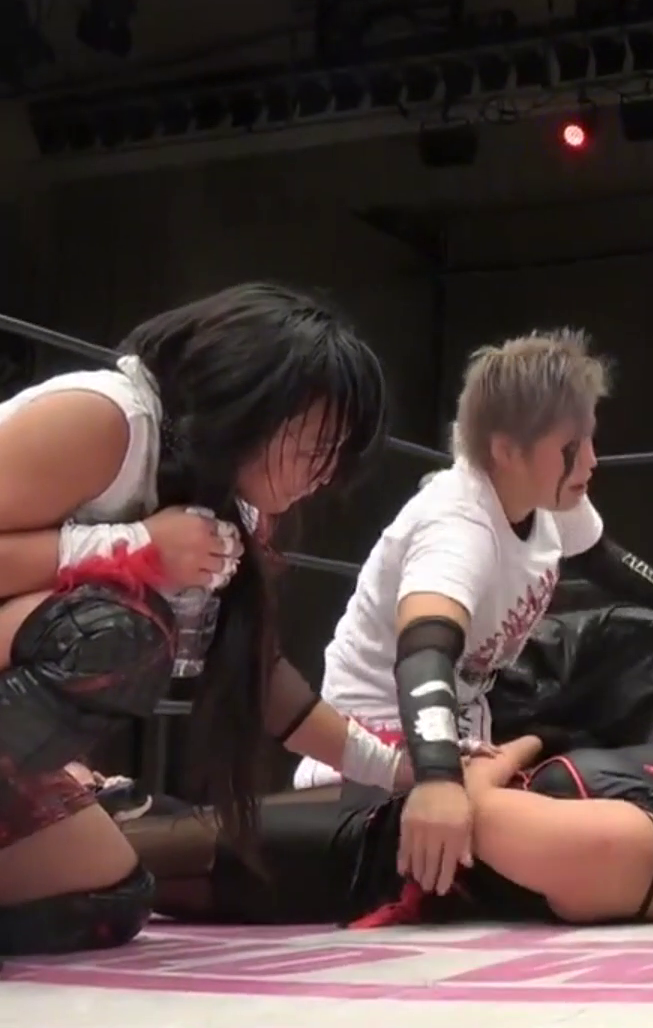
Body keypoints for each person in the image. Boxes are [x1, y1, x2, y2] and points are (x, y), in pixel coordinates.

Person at [0, 283, 389, 956]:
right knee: (112, 634)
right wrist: (130, 547)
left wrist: (403, 768)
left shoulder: (226, 505)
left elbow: (259, 678)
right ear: (256, 401)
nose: (325, 474)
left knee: (105, 900)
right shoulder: (107, 419)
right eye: (317, 446)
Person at [290, 329, 653, 898]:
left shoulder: (550, 495)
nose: (591, 460)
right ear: (506, 450)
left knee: (649, 640)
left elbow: (601, 557)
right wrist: (438, 779)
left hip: (475, 708)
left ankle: (543, 773)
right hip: (381, 752)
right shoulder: (457, 527)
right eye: (573, 446)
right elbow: (423, 652)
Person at [126, 667, 653, 932]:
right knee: (136, 820)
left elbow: (465, 809)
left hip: (356, 856)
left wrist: (523, 746)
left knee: (121, 859)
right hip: (375, 806)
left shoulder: (645, 857)